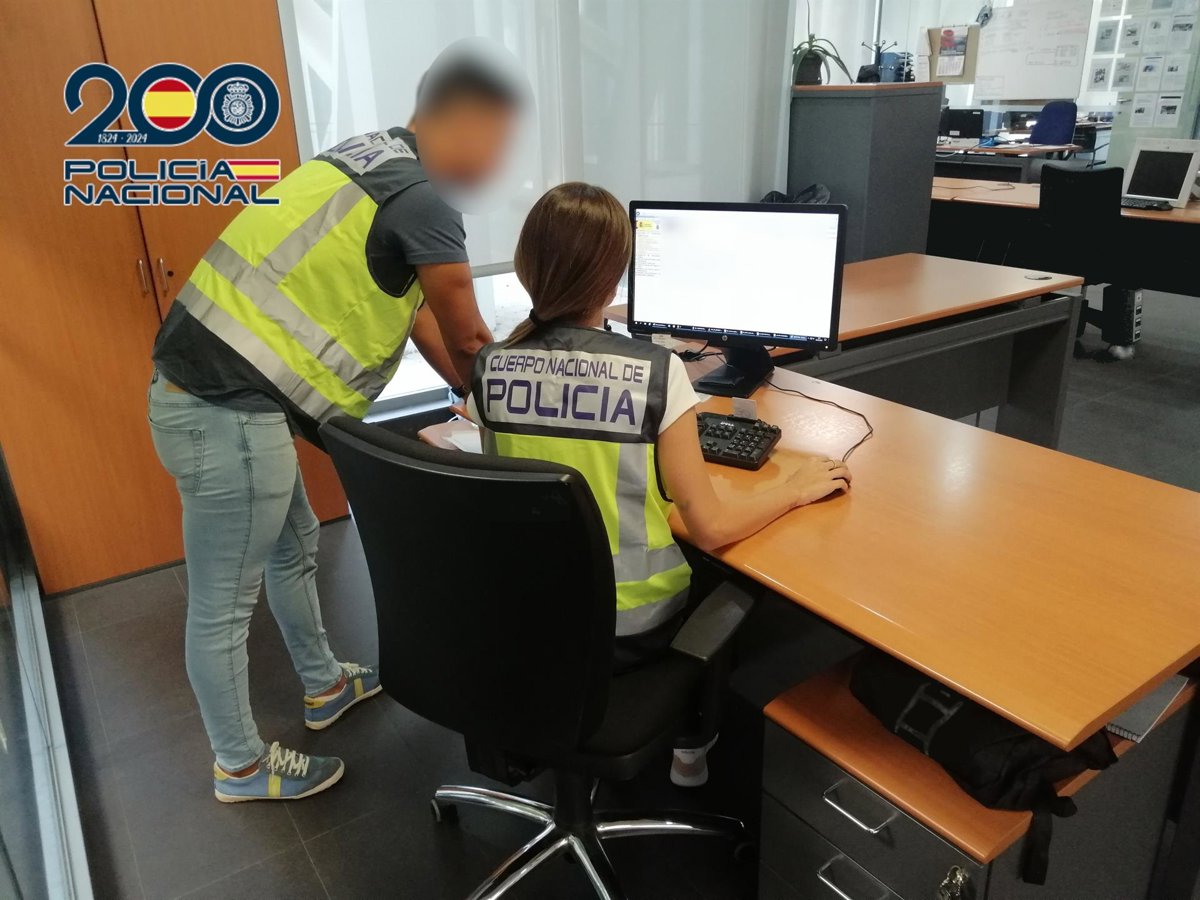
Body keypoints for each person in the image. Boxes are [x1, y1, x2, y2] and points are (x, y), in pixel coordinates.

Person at [148, 44, 524, 802]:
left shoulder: (372, 159)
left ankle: (323, 686)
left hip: (230, 399)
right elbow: (469, 336)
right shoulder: (424, 198)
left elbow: (420, 315)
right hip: (223, 411)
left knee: (293, 548)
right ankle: (240, 766)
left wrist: (469, 390)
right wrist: (513, 406)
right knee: (223, 607)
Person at [468, 182, 852, 785]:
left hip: (526, 618)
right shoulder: (655, 372)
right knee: (725, 574)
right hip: (628, 623)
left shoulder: (489, 368)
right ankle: (691, 745)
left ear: (525, 268)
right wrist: (795, 487)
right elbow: (713, 526)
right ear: (612, 278)